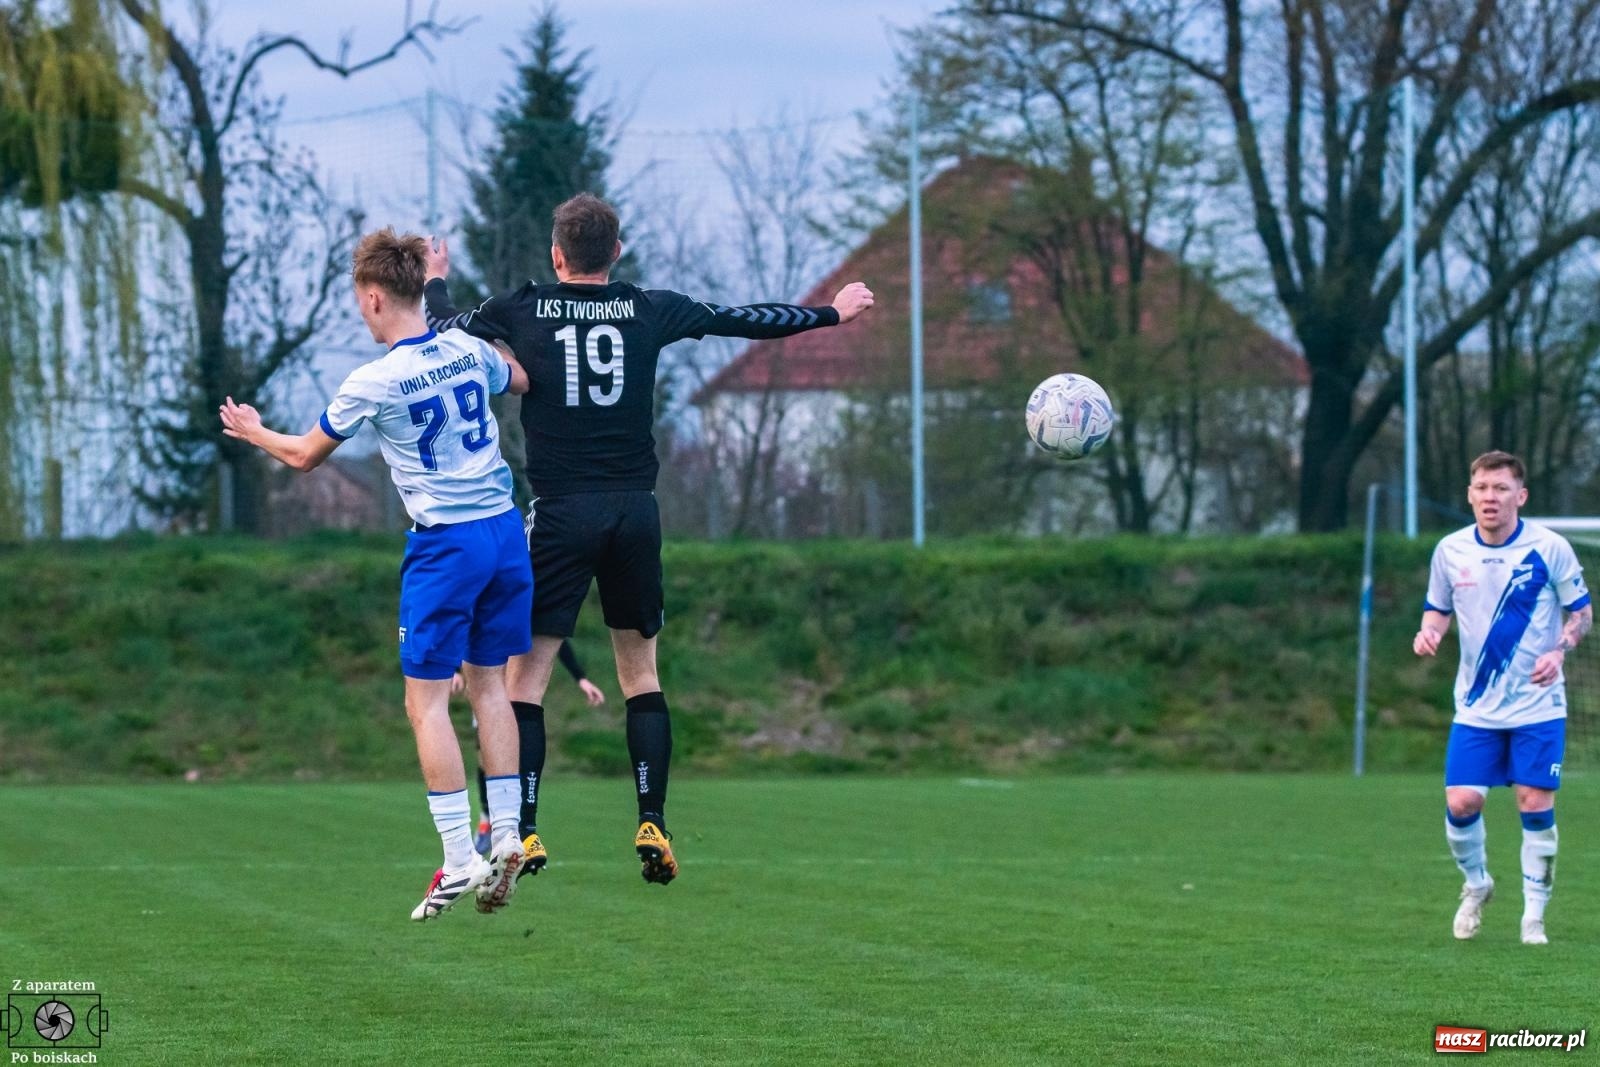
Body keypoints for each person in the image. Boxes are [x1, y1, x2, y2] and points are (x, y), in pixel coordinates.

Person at [423, 193, 874, 887]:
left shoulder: (523, 307)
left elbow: (441, 326)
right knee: (641, 676)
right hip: (635, 513)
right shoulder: (648, 308)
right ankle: (651, 818)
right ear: (617, 251)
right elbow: (743, 319)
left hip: (561, 514)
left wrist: (435, 278)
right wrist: (830, 314)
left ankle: (526, 828)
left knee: (525, 681)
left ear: (556, 254)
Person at [220, 227, 536, 921]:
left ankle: (460, 856)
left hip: (447, 546)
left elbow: (305, 455)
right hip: (505, 531)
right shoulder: (466, 348)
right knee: (491, 688)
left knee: (425, 702)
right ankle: (510, 833)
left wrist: (252, 430)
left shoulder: (375, 379)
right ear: (420, 288)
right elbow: (518, 377)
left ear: (372, 298)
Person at [1414, 450, 1592, 945]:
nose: (1490, 497)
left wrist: (1559, 650)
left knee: (1533, 802)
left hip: (1539, 704)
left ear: (1521, 496)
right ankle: (1477, 884)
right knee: (1462, 801)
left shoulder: (1550, 548)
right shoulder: (1450, 550)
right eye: (1482, 488)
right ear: (1469, 495)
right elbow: (1437, 608)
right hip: (1477, 707)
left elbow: (1581, 613)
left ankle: (1533, 918)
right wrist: (1429, 632)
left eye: (1500, 488)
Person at [461, 640, 605, 857]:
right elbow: (466, 630)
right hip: (489, 685)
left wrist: (580, 677)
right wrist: (455, 671)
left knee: (515, 753)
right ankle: (487, 819)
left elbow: (553, 635)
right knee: (485, 757)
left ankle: (515, 824)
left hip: (517, 689)